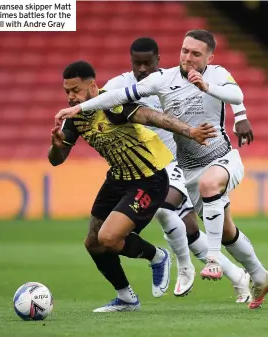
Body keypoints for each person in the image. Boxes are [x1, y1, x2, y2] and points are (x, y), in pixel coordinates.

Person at [55, 31, 268, 310]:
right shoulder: (159, 81)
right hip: (184, 165)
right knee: (225, 231)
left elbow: (235, 93)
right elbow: (114, 97)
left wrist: (236, 113)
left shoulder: (216, 74)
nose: (188, 57)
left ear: (208, 58)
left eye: (195, 53)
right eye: (185, 51)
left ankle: (197, 263)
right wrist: (79, 107)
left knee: (182, 201)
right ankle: (256, 276)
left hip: (214, 158)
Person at [49, 60, 216, 312]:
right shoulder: (75, 118)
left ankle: (157, 256)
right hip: (118, 178)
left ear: (93, 86)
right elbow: (56, 161)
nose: (70, 97)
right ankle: (126, 298)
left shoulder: (112, 104)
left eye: (75, 90)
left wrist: (190, 131)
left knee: (109, 238)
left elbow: (154, 117)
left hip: (148, 179)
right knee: (93, 243)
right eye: (66, 92)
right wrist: (57, 146)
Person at [103, 36, 252, 302]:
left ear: (159, 61)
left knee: (164, 207)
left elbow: (226, 85)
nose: (142, 69)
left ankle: (182, 266)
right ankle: (238, 276)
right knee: (191, 231)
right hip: (144, 168)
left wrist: (240, 115)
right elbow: (100, 102)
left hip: (176, 163)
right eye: (137, 64)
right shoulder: (121, 85)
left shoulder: (170, 81)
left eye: (148, 63)